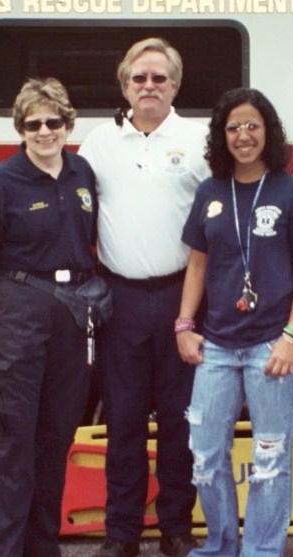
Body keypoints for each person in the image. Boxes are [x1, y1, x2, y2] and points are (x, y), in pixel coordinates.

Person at [176, 88, 293, 557]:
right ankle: (220, 546)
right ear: (222, 137)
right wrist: (184, 325)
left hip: (272, 345)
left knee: (270, 458)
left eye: (252, 126)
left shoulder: (290, 190)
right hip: (217, 346)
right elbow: (197, 265)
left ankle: (261, 550)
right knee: (204, 455)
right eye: (234, 127)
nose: (243, 136)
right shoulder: (210, 192)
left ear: (268, 132)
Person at [79, 38, 209, 557]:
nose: (149, 86)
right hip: (121, 299)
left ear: (175, 85)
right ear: (125, 86)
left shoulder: (199, 140)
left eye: (159, 78)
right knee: (125, 421)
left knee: (181, 420)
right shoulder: (98, 143)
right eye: (139, 79)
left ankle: (176, 527)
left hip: (183, 298)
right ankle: (121, 533)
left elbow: (220, 219)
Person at [0, 78, 97, 557]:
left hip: (71, 315)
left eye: (53, 122)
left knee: (54, 441)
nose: (44, 132)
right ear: (20, 128)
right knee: (11, 447)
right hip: (17, 314)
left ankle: (43, 549)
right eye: (33, 124)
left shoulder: (83, 174)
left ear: (67, 124)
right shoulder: (1, 181)